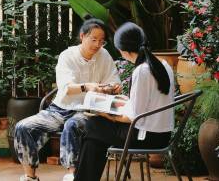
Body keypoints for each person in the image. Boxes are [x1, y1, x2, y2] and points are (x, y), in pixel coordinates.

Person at [14, 18, 122, 181]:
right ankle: (30, 176)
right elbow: (65, 88)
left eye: (102, 41)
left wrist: (113, 87)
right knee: (23, 127)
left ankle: (72, 175)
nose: (97, 44)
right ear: (82, 36)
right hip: (59, 109)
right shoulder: (67, 56)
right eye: (93, 39)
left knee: (72, 126)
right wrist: (87, 86)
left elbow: (114, 80)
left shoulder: (104, 55)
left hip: (87, 110)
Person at [73, 22, 175, 181]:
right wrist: (123, 102)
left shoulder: (142, 71)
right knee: (95, 137)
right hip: (161, 134)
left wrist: (105, 114)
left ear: (123, 49)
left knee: (93, 125)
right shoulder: (162, 65)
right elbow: (148, 102)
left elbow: (132, 117)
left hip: (146, 136)